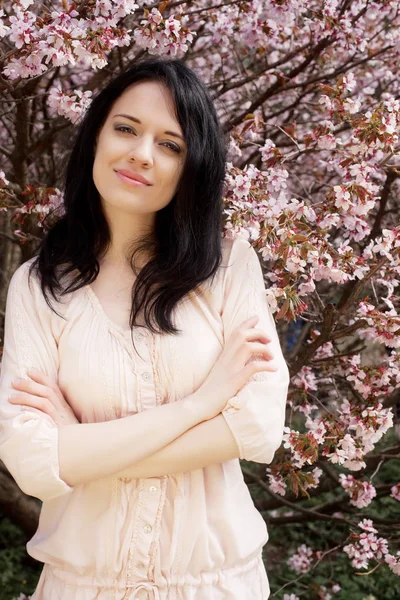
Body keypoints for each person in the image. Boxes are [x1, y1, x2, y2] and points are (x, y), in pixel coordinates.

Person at [0, 57, 290, 600]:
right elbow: (35, 464)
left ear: (191, 167)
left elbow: (256, 428)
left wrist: (79, 446)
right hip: (81, 587)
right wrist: (201, 405)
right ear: (95, 137)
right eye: (126, 129)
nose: (141, 154)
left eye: (170, 144)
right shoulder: (38, 287)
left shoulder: (228, 270)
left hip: (215, 586)